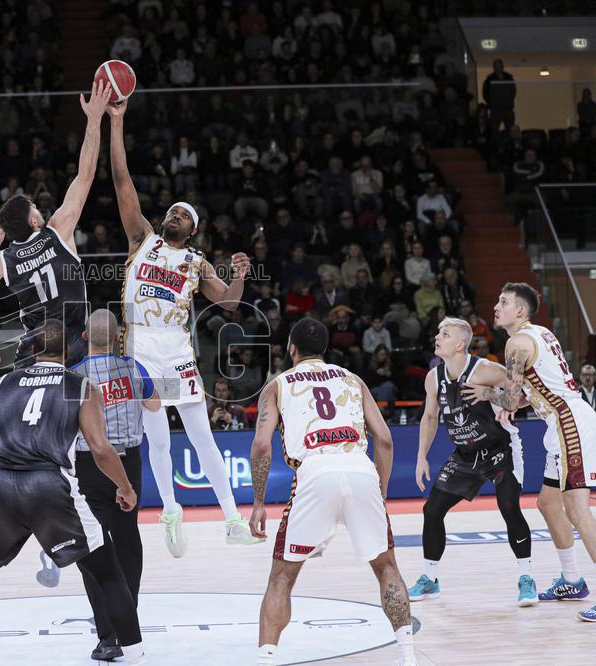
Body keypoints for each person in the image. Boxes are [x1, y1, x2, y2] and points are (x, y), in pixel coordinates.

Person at [0, 321, 146, 665]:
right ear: (68, 352)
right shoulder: (80, 385)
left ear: (32, 350)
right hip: (49, 486)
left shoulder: (1, 383)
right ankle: (138, 656)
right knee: (109, 574)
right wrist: (125, 487)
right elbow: (100, 448)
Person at [108, 98, 258, 554]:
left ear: (192, 230)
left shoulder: (196, 263)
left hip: (176, 356)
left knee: (201, 437)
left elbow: (229, 305)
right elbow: (121, 180)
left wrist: (239, 276)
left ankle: (232, 517)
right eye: (172, 211)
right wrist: (117, 124)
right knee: (157, 440)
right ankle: (171, 511)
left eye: (184, 216)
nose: (175, 216)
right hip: (138, 354)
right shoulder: (142, 240)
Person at [249, 319, 417, 666]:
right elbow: (384, 439)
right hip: (359, 467)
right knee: (386, 568)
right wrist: (380, 492)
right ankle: (408, 655)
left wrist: (259, 503)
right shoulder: (351, 379)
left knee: (282, 576)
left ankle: (266, 658)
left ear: (292, 349)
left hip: (314, 471)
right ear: (324, 351)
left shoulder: (278, 384)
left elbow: (262, 445)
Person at [462, 283, 596, 622]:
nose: (496, 306)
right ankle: (572, 580)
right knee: (548, 503)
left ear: (520, 312)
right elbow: (526, 395)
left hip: (569, 422)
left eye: (503, 302)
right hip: (561, 421)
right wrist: (502, 396)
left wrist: (485, 392)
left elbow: (510, 400)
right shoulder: (539, 334)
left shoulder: (516, 343)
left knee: (579, 512)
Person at [34, 309, 160, 662]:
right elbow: (156, 402)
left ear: (85, 337)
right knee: (128, 541)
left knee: (93, 547)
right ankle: (126, 618)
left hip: (88, 465)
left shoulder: (71, 376)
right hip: (127, 462)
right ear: (119, 337)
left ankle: (107, 636)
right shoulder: (136, 368)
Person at [0, 80, 112, 368]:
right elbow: (85, 175)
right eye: (35, 207)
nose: (40, 209)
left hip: (32, 349)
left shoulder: (4, 259)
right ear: (34, 221)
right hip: (72, 343)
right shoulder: (58, 230)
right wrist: (94, 119)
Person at [408, 317, 536, 605]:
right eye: (438, 332)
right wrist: (420, 457)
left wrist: (497, 398)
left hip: (500, 449)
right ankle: (430, 579)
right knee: (432, 510)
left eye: (445, 333)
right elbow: (430, 417)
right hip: (465, 455)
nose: (437, 337)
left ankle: (526, 577)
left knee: (508, 506)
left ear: (460, 344)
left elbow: (526, 394)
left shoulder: (486, 370)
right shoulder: (433, 377)